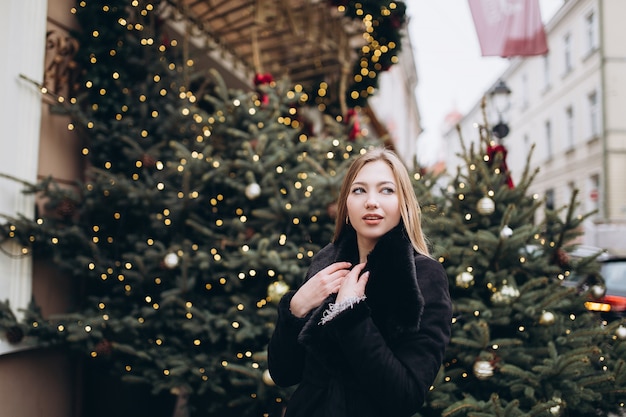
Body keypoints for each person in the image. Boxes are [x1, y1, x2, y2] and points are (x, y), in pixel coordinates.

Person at [268, 147, 453, 417]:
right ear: (346, 205)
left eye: (386, 190)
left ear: (404, 204)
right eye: (359, 190)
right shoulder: (326, 266)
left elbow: (405, 397)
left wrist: (350, 314)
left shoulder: (424, 276)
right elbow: (284, 373)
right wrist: (296, 308)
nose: (371, 202)